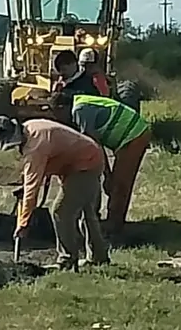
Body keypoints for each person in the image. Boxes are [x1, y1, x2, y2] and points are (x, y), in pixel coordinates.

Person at [0, 115, 110, 270]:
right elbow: (35, 173)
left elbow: (33, 187)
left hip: (85, 165)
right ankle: (99, 257)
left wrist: (23, 222)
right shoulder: (30, 128)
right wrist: (25, 187)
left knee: (61, 211)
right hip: (87, 158)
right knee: (87, 212)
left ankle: (67, 260)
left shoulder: (36, 144)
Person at [51, 91, 151, 237]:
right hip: (129, 134)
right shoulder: (82, 103)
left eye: (56, 113)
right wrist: (107, 174)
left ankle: (114, 227)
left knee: (120, 184)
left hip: (133, 135)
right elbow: (96, 144)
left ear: (61, 107)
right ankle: (113, 222)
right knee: (116, 183)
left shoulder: (80, 110)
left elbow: (93, 146)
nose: (57, 118)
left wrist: (107, 175)